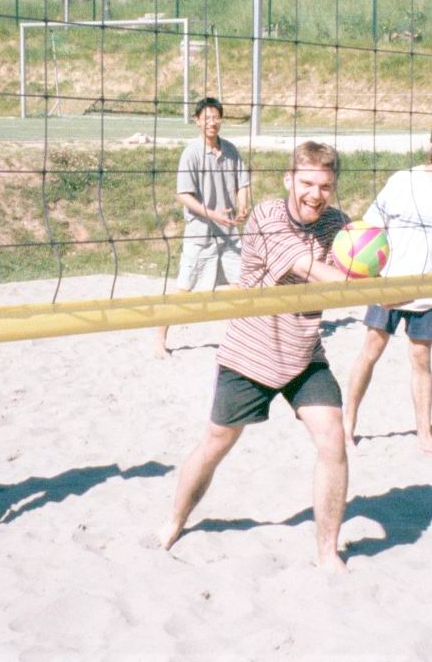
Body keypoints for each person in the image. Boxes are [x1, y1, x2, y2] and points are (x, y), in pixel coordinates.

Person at [157, 141, 352, 571]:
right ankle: (175, 520)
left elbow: (369, 249)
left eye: (325, 185)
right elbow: (311, 269)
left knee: (333, 438)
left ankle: (327, 552)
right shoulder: (267, 216)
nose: (315, 194)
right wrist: (359, 279)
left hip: (304, 355)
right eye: (306, 183)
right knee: (215, 444)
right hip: (250, 355)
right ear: (289, 180)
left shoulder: (338, 224)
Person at [343, 118, 432, 457]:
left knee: (421, 360)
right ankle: (346, 425)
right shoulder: (403, 182)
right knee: (370, 352)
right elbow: (368, 231)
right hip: (389, 286)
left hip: (427, 294)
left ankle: (425, 435)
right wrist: (366, 278)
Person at [156, 96, 251, 358]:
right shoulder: (191, 153)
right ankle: (160, 338)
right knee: (184, 291)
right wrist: (212, 214)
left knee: (242, 285)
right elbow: (184, 196)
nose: (212, 122)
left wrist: (243, 205)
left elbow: (243, 184)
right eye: (207, 118)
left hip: (230, 234)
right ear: (197, 121)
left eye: (216, 117)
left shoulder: (231, 150)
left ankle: (241, 339)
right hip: (201, 234)